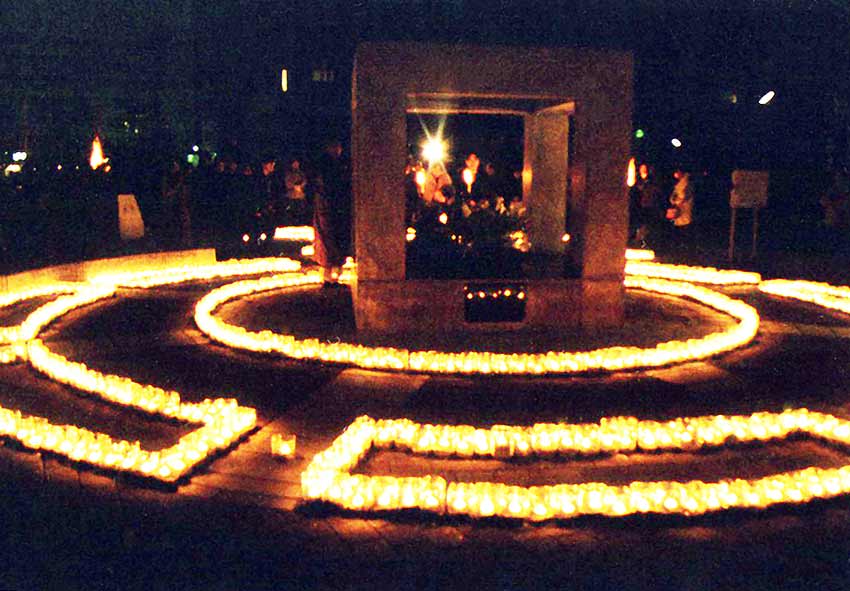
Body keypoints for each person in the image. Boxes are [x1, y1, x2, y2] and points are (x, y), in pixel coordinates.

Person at [311, 140, 350, 286]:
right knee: (328, 240)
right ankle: (328, 276)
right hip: (328, 207)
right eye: (337, 147)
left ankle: (333, 275)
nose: (339, 150)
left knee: (335, 240)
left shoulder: (336, 164)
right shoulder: (326, 166)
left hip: (334, 208)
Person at [667, 169, 695, 251]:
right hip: (678, 208)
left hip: (684, 208)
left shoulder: (687, 183)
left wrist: (677, 201)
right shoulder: (679, 184)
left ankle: (685, 246)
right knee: (679, 227)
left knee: (685, 227)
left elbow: (685, 195)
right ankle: (679, 245)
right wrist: (673, 200)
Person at [284, 157, 309, 225]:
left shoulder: (301, 173)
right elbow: (287, 182)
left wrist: (300, 186)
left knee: (301, 210)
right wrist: (294, 186)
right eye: (294, 163)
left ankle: (300, 222)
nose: (296, 165)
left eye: (297, 163)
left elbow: (305, 181)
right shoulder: (289, 174)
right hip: (291, 196)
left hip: (300, 195)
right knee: (291, 211)